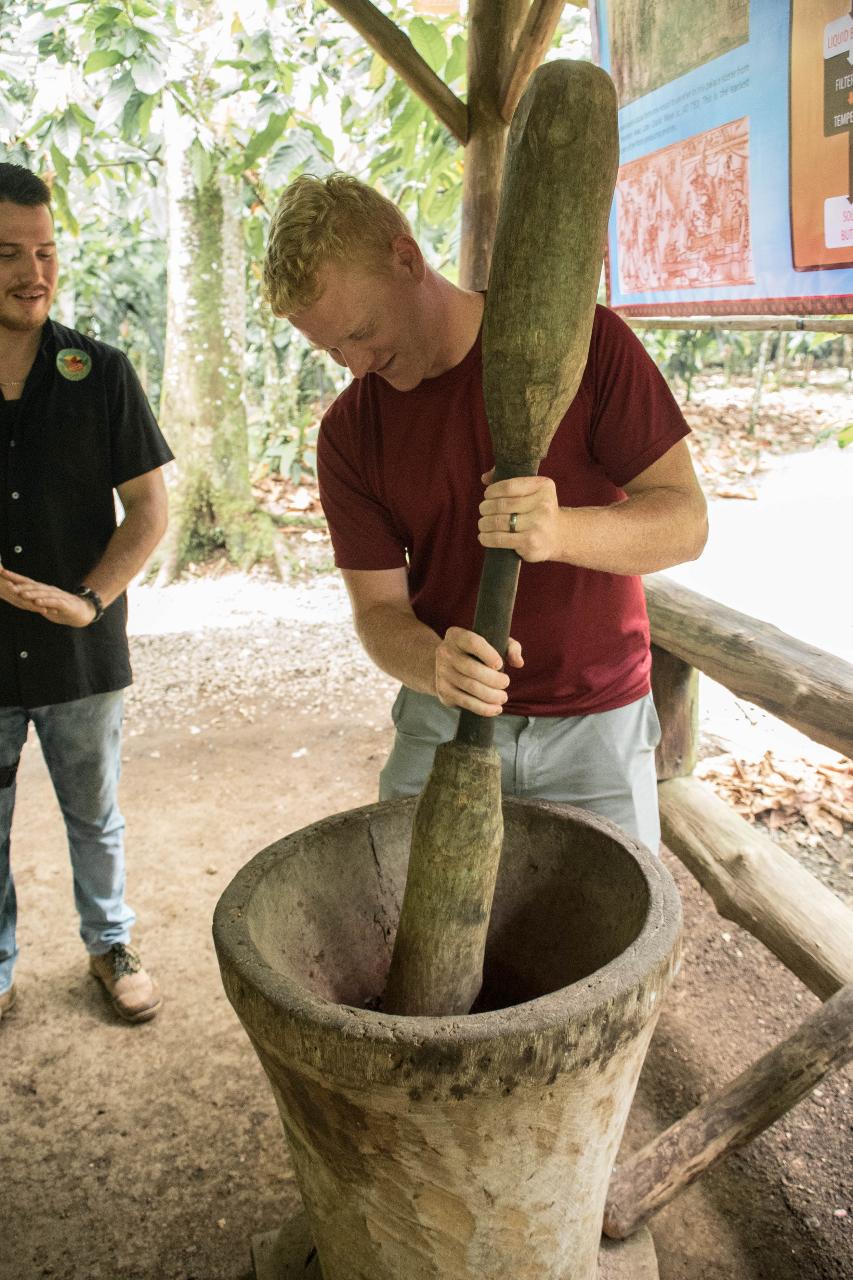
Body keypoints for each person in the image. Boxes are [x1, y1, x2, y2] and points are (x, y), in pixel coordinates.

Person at [263, 173, 708, 853]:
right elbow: (379, 614)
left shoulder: (585, 345)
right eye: (330, 350)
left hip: (596, 726)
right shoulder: (350, 432)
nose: (354, 366)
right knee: (402, 925)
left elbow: (685, 523)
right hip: (444, 720)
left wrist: (561, 530)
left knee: (612, 944)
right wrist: (434, 664)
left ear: (406, 259)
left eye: (360, 331)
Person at [0, 164, 173, 1024]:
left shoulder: (99, 372)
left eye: (45, 251)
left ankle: (110, 945)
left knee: (94, 816)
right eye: (8, 254)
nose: (33, 272)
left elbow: (148, 508)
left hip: (81, 646)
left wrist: (89, 601)